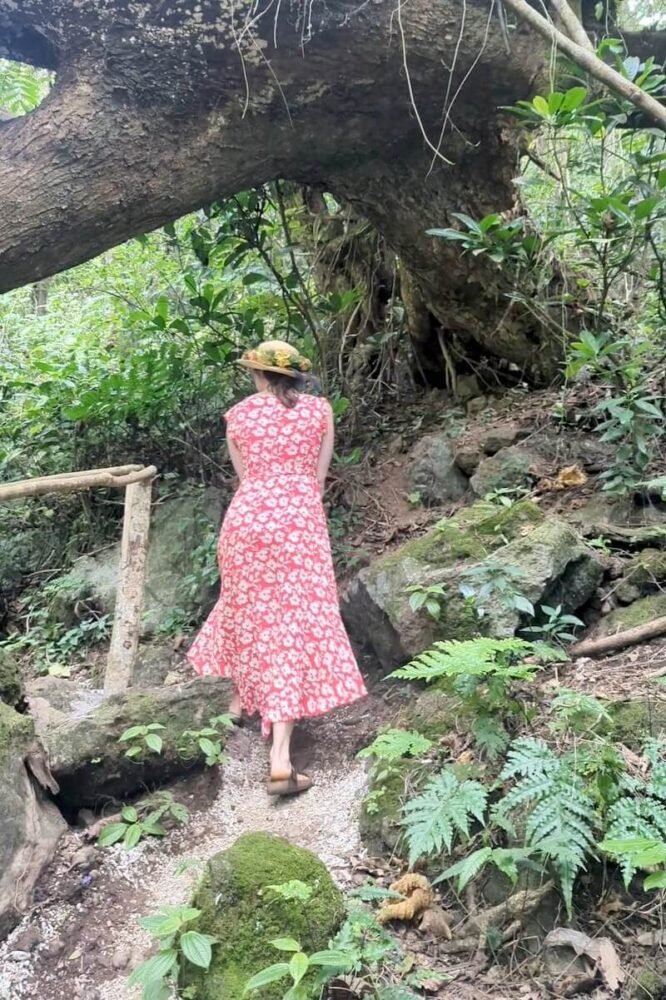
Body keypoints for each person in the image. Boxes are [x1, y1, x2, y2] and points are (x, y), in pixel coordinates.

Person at [187, 340, 367, 796]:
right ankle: (281, 759)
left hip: (247, 524)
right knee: (292, 623)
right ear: (295, 376)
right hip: (299, 524)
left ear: (259, 374)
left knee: (247, 610)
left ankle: (237, 703)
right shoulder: (320, 412)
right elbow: (318, 479)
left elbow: (247, 480)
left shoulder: (238, 416)